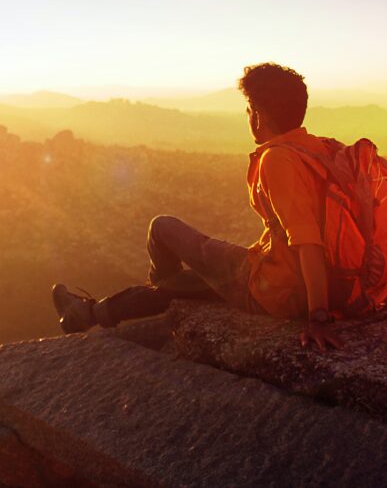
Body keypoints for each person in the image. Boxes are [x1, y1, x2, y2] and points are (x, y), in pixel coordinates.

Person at [52, 62, 346, 351]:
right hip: (317, 282)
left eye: (249, 110)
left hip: (277, 290)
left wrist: (317, 316)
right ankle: (89, 313)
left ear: (259, 116)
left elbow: (309, 241)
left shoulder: (277, 159)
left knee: (162, 228)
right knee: (199, 279)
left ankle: (152, 298)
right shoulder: (321, 149)